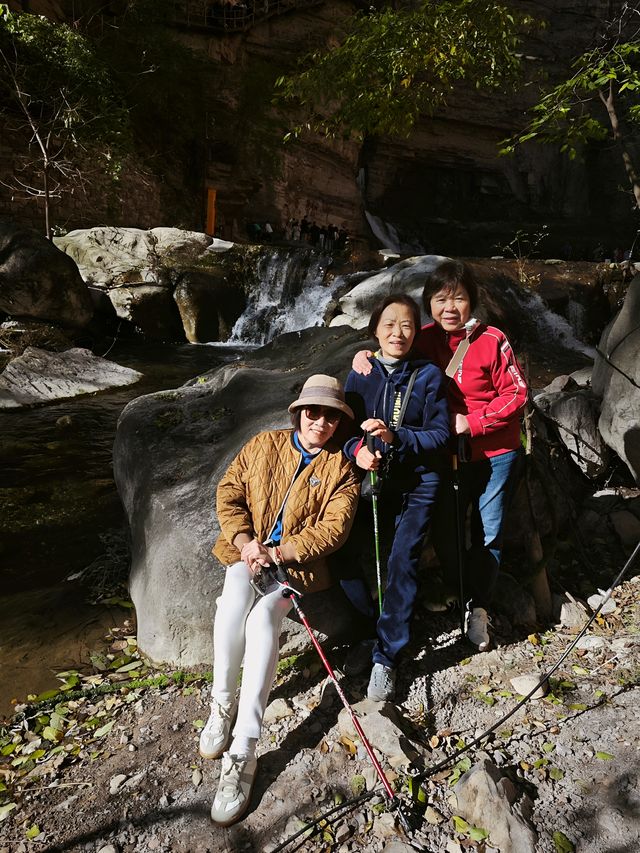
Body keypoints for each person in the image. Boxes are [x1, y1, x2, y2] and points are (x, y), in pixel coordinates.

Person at [200, 375, 360, 826]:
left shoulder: (341, 468)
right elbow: (229, 492)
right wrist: (246, 540)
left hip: (295, 568)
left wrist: (279, 552)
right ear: (297, 412)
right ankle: (221, 706)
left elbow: (334, 529)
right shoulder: (263, 444)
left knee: (262, 620)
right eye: (313, 411)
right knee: (231, 606)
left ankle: (245, 746)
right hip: (245, 552)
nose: (321, 422)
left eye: (332, 416)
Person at [352, 260, 528, 652]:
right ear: (429, 304)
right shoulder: (422, 338)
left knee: (489, 532)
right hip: (443, 456)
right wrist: (362, 356)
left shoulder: (492, 338)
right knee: (448, 536)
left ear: (472, 302)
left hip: (494, 452)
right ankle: (463, 594)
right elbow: (391, 355)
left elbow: (517, 394)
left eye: (460, 298)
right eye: (441, 299)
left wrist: (475, 421)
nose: (450, 307)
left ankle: (478, 608)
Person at [342, 294, 450, 702]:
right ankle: (374, 631)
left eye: (406, 325)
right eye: (389, 324)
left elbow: (440, 434)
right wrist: (358, 450)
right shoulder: (361, 372)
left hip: (419, 482)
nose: (398, 332)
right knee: (347, 553)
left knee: (401, 560)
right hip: (376, 479)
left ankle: (387, 657)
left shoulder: (428, 376)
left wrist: (396, 436)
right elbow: (345, 430)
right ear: (374, 331)